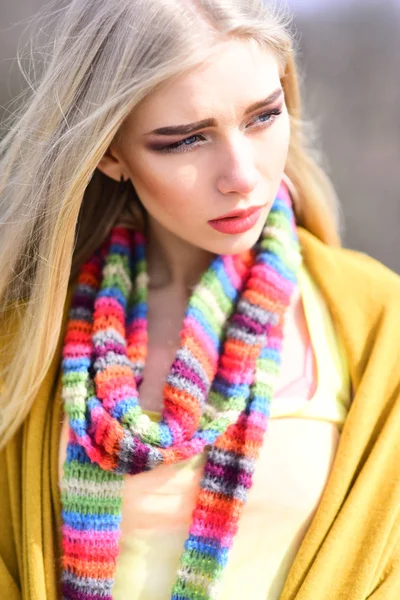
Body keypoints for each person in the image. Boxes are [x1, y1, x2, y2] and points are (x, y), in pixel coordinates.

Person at [0, 1, 399, 599]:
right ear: (110, 153)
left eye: (264, 116)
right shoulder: (25, 335)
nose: (242, 175)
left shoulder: (377, 322)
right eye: (185, 140)